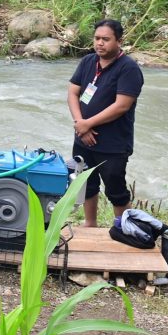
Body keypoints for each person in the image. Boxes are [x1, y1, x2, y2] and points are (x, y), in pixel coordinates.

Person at [67, 19, 144, 228]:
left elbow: (122, 105)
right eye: (97, 38)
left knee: (115, 190)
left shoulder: (128, 68)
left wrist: (87, 123)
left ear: (119, 41)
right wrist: (80, 124)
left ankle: (126, 229)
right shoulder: (87, 62)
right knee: (85, 184)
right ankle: (90, 224)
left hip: (113, 144)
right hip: (83, 138)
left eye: (106, 39)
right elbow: (73, 92)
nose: (100, 43)